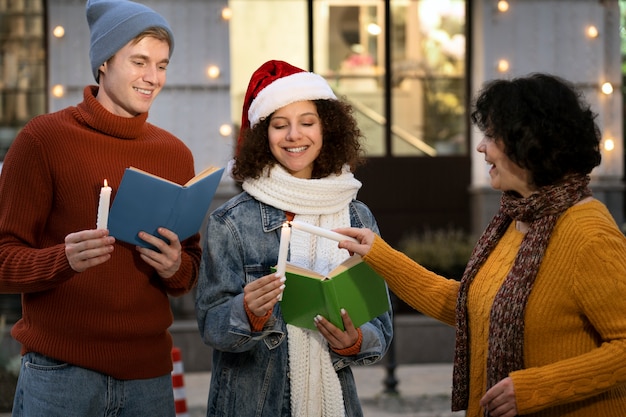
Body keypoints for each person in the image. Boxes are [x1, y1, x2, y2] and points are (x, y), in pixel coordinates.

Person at [337, 73, 626, 417]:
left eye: (491, 135)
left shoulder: (589, 233)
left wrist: (535, 388)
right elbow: (468, 307)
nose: (480, 147)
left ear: (529, 143)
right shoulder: (515, 219)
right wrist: (378, 254)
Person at [0, 1, 201, 415]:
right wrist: (62, 260)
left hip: (149, 379)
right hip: (60, 377)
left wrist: (174, 265)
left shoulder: (176, 155)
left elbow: (188, 273)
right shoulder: (43, 140)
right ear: (104, 62)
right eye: (140, 61)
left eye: (162, 65)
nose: (153, 78)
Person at [195, 60, 393, 417]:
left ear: (327, 129)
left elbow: (381, 325)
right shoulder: (230, 221)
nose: (294, 136)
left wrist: (355, 341)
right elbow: (210, 324)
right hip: (248, 406)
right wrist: (246, 312)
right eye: (279, 125)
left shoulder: (357, 217)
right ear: (262, 135)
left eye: (307, 122)